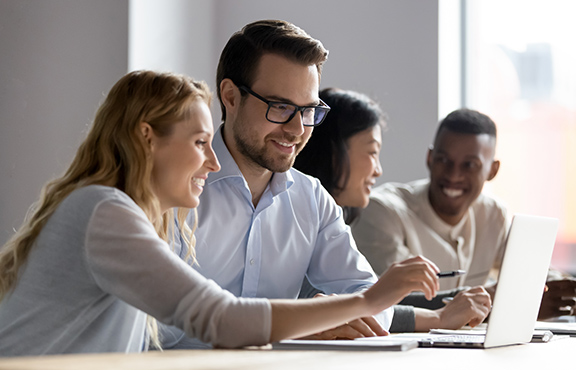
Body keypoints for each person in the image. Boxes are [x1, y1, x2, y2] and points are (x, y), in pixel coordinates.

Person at [0, 70, 445, 357]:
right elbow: (221, 319)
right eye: (199, 143)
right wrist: (369, 300)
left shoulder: (121, 213)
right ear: (147, 138)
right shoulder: (103, 210)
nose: (213, 163)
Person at [163, 20, 491, 349]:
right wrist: (300, 323)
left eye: (307, 111)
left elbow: (373, 303)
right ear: (231, 97)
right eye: (280, 107)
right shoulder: (172, 191)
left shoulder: (312, 199)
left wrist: (328, 319)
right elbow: (158, 326)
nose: (296, 129)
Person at [294, 88, 491, 332]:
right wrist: (440, 317)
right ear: (334, 152)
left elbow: (363, 301)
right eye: (372, 152)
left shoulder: (331, 218)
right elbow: (350, 305)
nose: (378, 170)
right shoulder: (296, 215)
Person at [351, 108, 576, 320]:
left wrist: (555, 290)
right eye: (443, 160)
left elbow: (532, 270)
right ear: (429, 159)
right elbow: (393, 303)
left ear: (492, 170)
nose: (453, 175)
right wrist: (504, 300)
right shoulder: (382, 211)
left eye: (470, 165)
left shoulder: (493, 214)